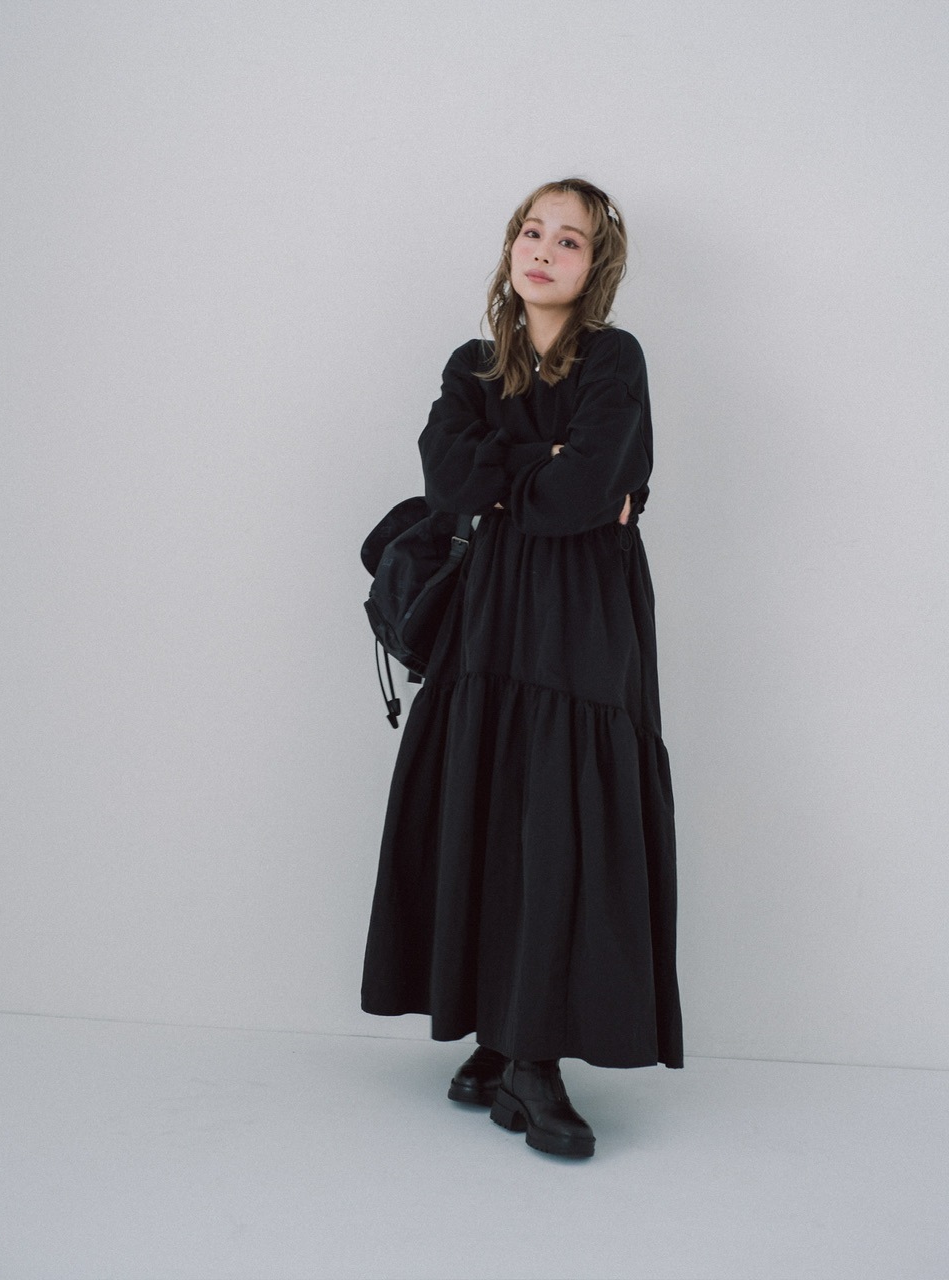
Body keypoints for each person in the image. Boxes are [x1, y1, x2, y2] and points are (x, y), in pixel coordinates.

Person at [361, 178, 682, 1160]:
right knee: (494, 805)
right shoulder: (472, 366)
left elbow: (584, 489)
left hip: (580, 619)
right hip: (490, 620)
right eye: (531, 232)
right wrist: (547, 462)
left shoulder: (614, 359)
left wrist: (532, 475)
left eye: (568, 239)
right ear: (512, 249)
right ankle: (498, 1040)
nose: (543, 249)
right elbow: (449, 475)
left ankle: (532, 1059)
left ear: (596, 265)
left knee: (560, 821)